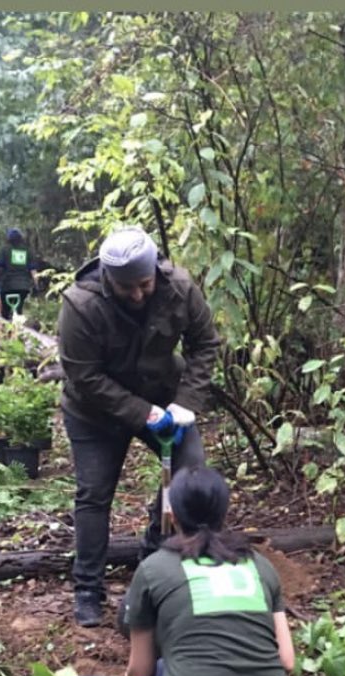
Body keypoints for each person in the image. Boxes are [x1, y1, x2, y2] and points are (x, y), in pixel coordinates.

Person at [61, 466, 294, 676]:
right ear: (224, 510)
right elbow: (286, 660)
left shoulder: (155, 568)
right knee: (165, 669)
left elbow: (140, 674)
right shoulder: (259, 565)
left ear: (172, 511)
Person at [57, 225, 221, 627]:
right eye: (126, 287)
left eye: (144, 285)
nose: (136, 294)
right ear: (108, 278)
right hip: (94, 411)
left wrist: (185, 405)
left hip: (165, 397)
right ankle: (88, 590)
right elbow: (85, 377)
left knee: (188, 469)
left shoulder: (180, 288)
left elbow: (206, 345)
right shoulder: (80, 305)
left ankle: (153, 553)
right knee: (94, 494)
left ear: (155, 272)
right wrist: (142, 412)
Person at [0, 228, 39, 320]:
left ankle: (7, 327)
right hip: (23, 286)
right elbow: (33, 270)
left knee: (5, 312)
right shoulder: (27, 251)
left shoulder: (4, 250)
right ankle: (18, 322)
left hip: (7, 286)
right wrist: (36, 285)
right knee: (19, 309)